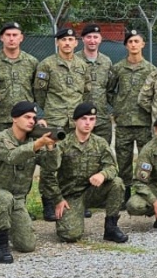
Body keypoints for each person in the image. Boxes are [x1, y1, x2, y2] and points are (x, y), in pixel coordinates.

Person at [0, 101, 60, 264]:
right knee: (4, 197)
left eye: (34, 118)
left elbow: (52, 166)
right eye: (27, 117)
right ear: (14, 118)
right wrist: (38, 144)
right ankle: (1, 248)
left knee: (27, 245)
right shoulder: (0, 139)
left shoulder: (33, 142)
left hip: (17, 200)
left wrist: (51, 147)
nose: (31, 121)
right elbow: (12, 157)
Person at [47, 102, 129, 244]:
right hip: (70, 196)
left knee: (117, 183)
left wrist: (103, 174)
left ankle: (111, 227)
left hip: (92, 192)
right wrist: (58, 199)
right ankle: (73, 216)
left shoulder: (100, 143)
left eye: (92, 119)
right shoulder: (63, 144)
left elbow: (112, 167)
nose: (88, 123)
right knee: (69, 235)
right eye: (84, 119)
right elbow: (48, 174)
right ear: (75, 121)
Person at [107, 28, 157, 192]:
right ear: (126, 45)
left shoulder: (151, 70)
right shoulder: (118, 68)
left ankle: (144, 192)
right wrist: (118, 105)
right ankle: (125, 193)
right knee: (123, 162)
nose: (134, 44)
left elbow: (155, 94)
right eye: (130, 41)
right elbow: (109, 90)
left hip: (144, 122)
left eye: (137, 41)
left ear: (143, 44)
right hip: (123, 123)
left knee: (145, 161)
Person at [0, 20, 38, 130]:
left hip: (25, 120)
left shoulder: (32, 62)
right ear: (1, 38)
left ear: (21, 38)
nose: (11, 38)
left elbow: (38, 91)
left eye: (15, 35)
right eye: (8, 35)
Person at [34, 26, 90, 130]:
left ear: (76, 43)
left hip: (76, 119)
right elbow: (39, 92)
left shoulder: (83, 65)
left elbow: (86, 91)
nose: (67, 43)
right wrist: (52, 108)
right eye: (63, 39)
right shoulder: (46, 64)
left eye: (70, 39)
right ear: (57, 42)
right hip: (54, 120)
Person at [79, 24, 114, 146]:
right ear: (83, 39)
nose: (92, 40)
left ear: (100, 39)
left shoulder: (106, 61)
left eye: (95, 37)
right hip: (80, 117)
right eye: (88, 37)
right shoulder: (75, 60)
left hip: (102, 118)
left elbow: (110, 88)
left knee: (102, 151)